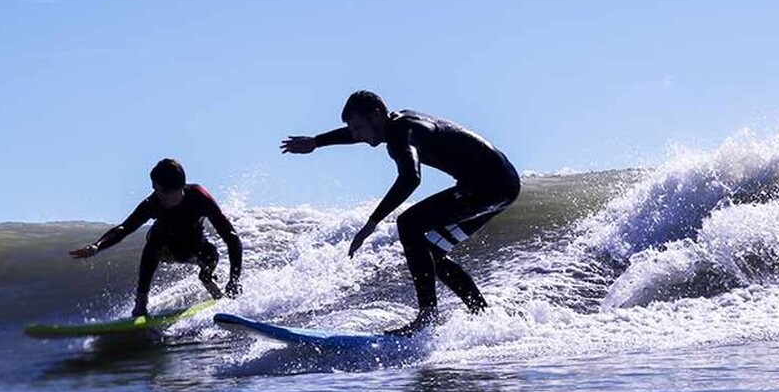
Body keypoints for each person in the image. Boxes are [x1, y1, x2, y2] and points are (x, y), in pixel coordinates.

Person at [280, 90, 520, 335]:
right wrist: (316, 142)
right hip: (499, 185)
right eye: (353, 129)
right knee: (433, 253)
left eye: (359, 127)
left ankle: (427, 317)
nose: (356, 136)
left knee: (408, 223)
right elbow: (361, 136)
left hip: (488, 187)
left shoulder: (400, 133)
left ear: (376, 115)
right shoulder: (395, 124)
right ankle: (482, 316)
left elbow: (411, 178)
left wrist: (371, 223)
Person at [70, 159, 243, 317]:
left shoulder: (199, 198)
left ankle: (207, 279)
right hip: (166, 249)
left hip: (193, 246)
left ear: (173, 190)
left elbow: (232, 238)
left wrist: (234, 280)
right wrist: (97, 246)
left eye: (156, 188)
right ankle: (141, 301)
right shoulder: (152, 204)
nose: (154, 191)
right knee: (156, 239)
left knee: (211, 254)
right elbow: (124, 228)